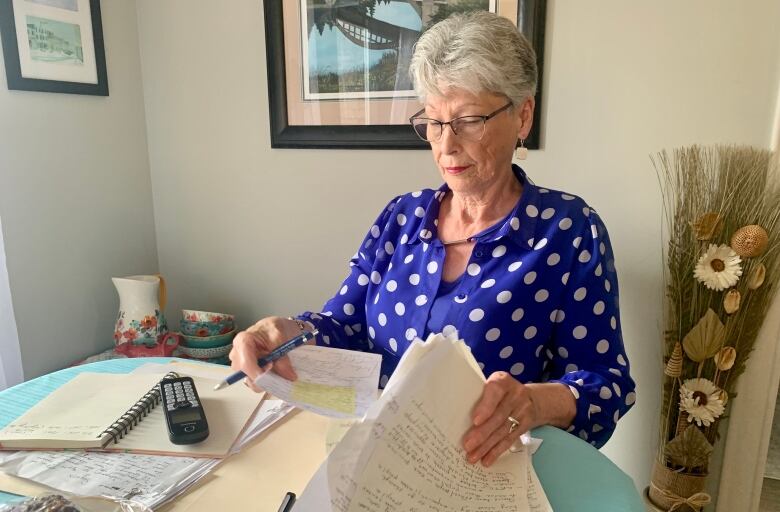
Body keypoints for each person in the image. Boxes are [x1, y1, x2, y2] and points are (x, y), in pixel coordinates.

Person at [230, 10, 635, 467]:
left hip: (487, 471)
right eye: (434, 122)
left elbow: (607, 383)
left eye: (468, 120)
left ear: (522, 116)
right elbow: (344, 329)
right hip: (375, 461)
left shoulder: (567, 231)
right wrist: (290, 334)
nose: (445, 145)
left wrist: (533, 403)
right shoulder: (402, 219)